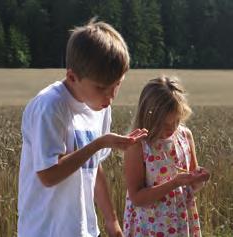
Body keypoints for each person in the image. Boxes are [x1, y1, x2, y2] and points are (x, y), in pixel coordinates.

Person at [18, 19, 148, 237]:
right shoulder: (49, 107)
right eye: (102, 88)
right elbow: (48, 175)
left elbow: (94, 167)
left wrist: (111, 220)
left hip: (84, 230)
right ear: (72, 77)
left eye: (117, 85)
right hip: (45, 231)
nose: (110, 97)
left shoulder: (99, 105)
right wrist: (98, 144)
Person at [123, 76, 210, 237]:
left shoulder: (185, 136)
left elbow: (192, 186)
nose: (172, 128)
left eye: (177, 121)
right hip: (149, 226)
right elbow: (137, 198)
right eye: (165, 124)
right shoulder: (138, 145)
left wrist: (199, 179)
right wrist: (173, 183)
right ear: (149, 118)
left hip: (181, 223)